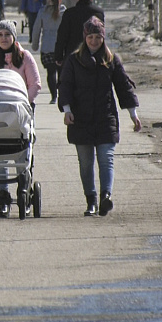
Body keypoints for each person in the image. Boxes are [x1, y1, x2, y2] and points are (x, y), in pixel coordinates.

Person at [58, 16, 141, 217]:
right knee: (86, 164)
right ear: (84, 38)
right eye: (91, 37)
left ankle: (106, 197)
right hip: (81, 120)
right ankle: (91, 200)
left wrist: (133, 114)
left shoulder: (111, 60)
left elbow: (123, 87)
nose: (94, 41)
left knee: (106, 159)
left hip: (105, 118)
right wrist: (67, 110)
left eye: (98, 37)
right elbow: (65, 86)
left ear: (103, 38)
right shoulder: (74, 60)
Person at [0, 20, 41, 218]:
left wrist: (22, 103)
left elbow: (35, 84)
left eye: (7, 34)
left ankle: (23, 189)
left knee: (22, 155)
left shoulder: (24, 57)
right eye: (0, 35)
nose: (4, 38)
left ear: (14, 37)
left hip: (20, 112)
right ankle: (2, 196)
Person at [54, 0, 105, 67]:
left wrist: (58, 56)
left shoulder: (69, 13)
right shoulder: (98, 13)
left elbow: (62, 35)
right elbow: (101, 34)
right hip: (94, 53)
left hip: (73, 53)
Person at [31, 0, 66, 104]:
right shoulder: (64, 12)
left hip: (47, 47)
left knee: (50, 72)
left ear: (49, 0)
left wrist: (35, 44)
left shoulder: (42, 12)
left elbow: (36, 29)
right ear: (60, 0)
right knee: (61, 72)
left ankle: (53, 97)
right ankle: (62, 94)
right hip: (62, 47)